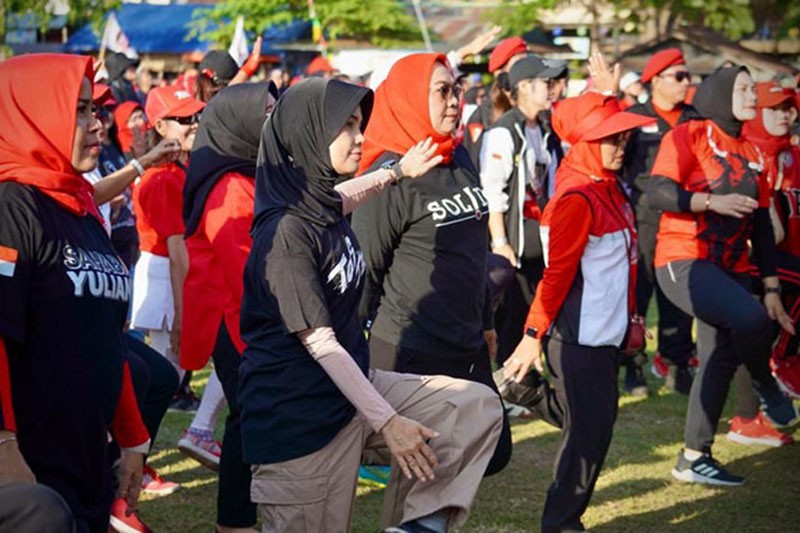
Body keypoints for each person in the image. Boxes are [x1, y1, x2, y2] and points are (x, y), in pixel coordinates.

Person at [239, 77, 503, 533]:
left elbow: (343, 198)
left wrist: (397, 172)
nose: (361, 137)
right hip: (300, 424)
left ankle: (418, 527)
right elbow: (321, 344)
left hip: (350, 394)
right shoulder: (284, 234)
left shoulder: (317, 204)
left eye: (361, 124)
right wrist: (388, 423)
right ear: (309, 134)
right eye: (347, 126)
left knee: (473, 408)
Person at [0, 53, 149, 532]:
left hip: (86, 461)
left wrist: (131, 438)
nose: (97, 123)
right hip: (33, 466)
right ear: (34, 113)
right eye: (80, 110)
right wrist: (4, 448)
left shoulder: (80, 206)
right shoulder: (12, 206)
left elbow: (106, 335)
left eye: (96, 110)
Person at [351, 53, 511, 482]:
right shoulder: (389, 174)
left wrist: (486, 318)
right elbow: (366, 270)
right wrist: (353, 353)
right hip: (410, 344)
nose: (456, 100)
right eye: (443, 90)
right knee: (430, 469)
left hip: (466, 338)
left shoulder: (458, 157)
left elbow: (472, 249)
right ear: (408, 97)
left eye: (457, 89)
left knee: (494, 450)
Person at [503, 91, 655, 533]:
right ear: (586, 142)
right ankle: (561, 522)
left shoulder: (608, 185)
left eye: (623, 137)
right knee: (588, 437)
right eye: (610, 138)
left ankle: (526, 394)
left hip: (604, 334)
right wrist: (532, 336)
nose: (621, 145)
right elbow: (556, 277)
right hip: (579, 338)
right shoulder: (577, 197)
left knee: (593, 422)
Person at [648, 67, 798, 486]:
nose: (752, 96)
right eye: (745, 89)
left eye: (753, 89)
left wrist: (770, 285)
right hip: (683, 259)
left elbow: (763, 229)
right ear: (719, 93)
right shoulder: (688, 135)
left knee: (720, 353)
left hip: (731, 267)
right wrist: (710, 201)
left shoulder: (752, 151)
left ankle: (694, 456)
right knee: (751, 320)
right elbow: (657, 191)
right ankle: (767, 384)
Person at [181, 81, 279, 533]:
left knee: (251, 414)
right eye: (266, 112)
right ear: (239, 121)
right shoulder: (230, 186)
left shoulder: (251, 173)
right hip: (235, 316)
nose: (274, 120)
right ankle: (235, 522)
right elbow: (246, 264)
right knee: (248, 415)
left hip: (244, 312)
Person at [727, 81, 800, 447]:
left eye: (788, 108)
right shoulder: (749, 152)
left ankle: (753, 413)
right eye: (774, 108)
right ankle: (777, 376)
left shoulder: (787, 154)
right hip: (749, 261)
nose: (784, 115)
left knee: (757, 335)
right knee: (750, 334)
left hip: (782, 260)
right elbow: (765, 227)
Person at [479, 55, 563, 366]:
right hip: (516, 243)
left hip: (541, 238)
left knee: (536, 309)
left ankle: (528, 373)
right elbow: (492, 191)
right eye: (546, 82)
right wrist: (501, 243)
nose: (552, 88)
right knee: (513, 315)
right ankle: (509, 379)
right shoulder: (504, 132)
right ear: (524, 87)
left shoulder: (543, 129)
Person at [622, 48, 696, 395]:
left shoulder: (694, 118)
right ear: (655, 81)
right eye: (679, 76)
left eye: (688, 76)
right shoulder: (634, 118)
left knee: (680, 295)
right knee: (637, 295)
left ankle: (678, 362)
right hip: (644, 220)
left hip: (684, 219)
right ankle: (633, 367)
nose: (686, 83)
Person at [130, 86, 205, 408]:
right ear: (159, 126)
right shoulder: (163, 178)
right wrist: (180, 318)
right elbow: (177, 252)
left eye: (195, 115)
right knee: (162, 376)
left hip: (170, 273)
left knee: (165, 376)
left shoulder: (175, 171)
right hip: (165, 276)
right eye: (183, 118)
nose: (194, 123)